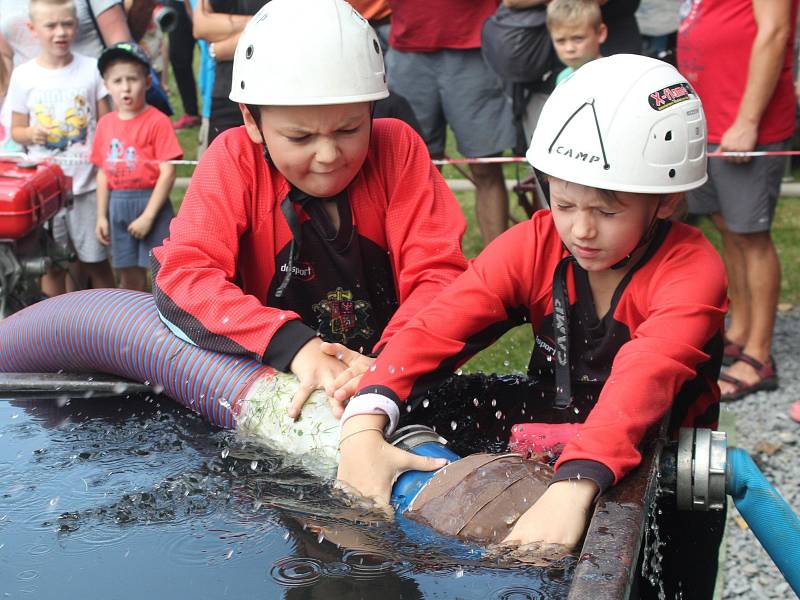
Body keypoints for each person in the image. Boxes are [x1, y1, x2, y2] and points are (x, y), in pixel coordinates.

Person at [337, 55, 727, 599]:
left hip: (663, 470)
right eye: (564, 202)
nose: (581, 230)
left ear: (667, 199)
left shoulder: (692, 271)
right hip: (554, 440)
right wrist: (366, 415)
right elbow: (439, 326)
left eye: (608, 211)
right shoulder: (538, 244)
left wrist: (574, 484)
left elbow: (645, 374)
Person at [151, 0, 468, 415]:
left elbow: (441, 275)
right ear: (252, 120)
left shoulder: (397, 148)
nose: (327, 155)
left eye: (350, 129)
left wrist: (389, 362)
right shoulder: (234, 159)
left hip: (393, 374)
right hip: (273, 386)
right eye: (299, 138)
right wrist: (296, 346)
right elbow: (183, 277)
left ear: (372, 108)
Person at [678, 0, 797, 401]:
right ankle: (741, 331)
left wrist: (747, 120)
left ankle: (760, 356)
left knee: (751, 234)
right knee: (727, 225)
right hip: (713, 123)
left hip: (746, 125)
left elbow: (775, 32)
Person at [384, 0, 516, 245]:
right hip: (407, 48)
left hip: (474, 47)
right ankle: (420, 263)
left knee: (486, 165)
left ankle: (498, 269)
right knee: (412, 172)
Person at [7, 0, 115, 296]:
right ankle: (52, 331)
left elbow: (107, 125)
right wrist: (31, 132)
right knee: (51, 265)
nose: (60, 32)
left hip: (88, 186)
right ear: (33, 29)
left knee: (96, 261)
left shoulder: (92, 69)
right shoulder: (23, 76)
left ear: (76, 25)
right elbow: (16, 130)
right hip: (45, 195)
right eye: (50, 25)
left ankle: (111, 321)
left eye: (66, 24)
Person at [91, 42, 182, 291]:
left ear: (147, 81)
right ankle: (133, 327)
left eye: (133, 79)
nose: (126, 87)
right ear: (107, 86)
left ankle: (161, 327)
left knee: (162, 275)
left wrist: (148, 216)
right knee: (128, 277)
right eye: (117, 81)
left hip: (151, 202)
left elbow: (168, 172)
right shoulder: (105, 124)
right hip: (118, 204)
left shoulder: (158, 121)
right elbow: (102, 174)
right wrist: (101, 215)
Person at [546, 0, 607, 86]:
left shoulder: (614, 75)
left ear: (601, 33)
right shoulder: (563, 78)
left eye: (578, 39)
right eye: (560, 41)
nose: (569, 48)